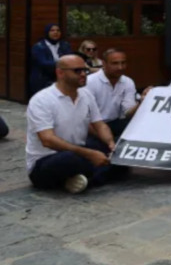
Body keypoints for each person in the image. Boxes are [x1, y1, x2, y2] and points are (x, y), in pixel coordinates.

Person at [26, 55, 122, 194]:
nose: (83, 74)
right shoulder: (41, 100)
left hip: (79, 151)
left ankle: (81, 180)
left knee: (119, 151)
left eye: (85, 70)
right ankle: (96, 173)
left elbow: (100, 125)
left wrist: (111, 143)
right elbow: (47, 140)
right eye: (77, 71)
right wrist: (89, 154)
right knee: (70, 159)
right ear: (60, 73)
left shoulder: (86, 95)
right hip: (46, 161)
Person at [85, 49, 139, 139]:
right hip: (92, 127)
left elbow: (128, 113)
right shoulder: (89, 82)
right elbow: (84, 119)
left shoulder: (128, 82)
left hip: (115, 123)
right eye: (115, 63)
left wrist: (141, 102)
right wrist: (108, 140)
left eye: (123, 63)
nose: (120, 67)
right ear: (104, 64)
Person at [29, 24, 72, 97]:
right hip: (43, 78)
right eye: (52, 30)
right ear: (47, 33)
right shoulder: (39, 47)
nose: (56, 32)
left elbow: (70, 58)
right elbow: (44, 63)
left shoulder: (65, 45)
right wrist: (63, 64)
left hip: (61, 77)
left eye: (58, 30)